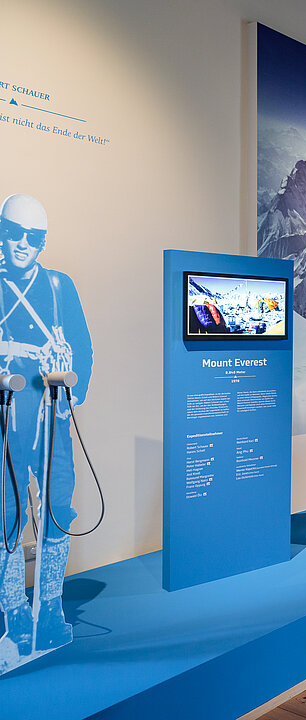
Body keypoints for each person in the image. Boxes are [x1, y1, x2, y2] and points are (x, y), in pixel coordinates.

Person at [0, 193, 93, 673]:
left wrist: (75, 389)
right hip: (8, 416)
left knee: (58, 509)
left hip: (52, 413)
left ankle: (51, 608)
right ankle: (13, 611)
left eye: (33, 238)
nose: (22, 245)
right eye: (14, 233)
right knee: (7, 514)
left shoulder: (58, 287)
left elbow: (83, 344)